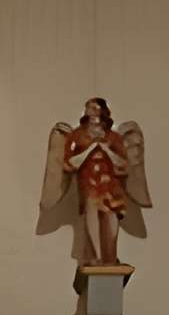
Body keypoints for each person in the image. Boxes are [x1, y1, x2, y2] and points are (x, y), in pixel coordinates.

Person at [38, 96, 151, 266]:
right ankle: (96, 256)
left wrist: (105, 147)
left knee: (111, 218)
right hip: (89, 184)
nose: (92, 113)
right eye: (89, 109)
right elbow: (70, 164)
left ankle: (109, 257)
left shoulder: (113, 137)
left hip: (110, 186)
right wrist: (92, 147)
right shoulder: (77, 136)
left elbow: (123, 165)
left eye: (95, 109)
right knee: (91, 213)